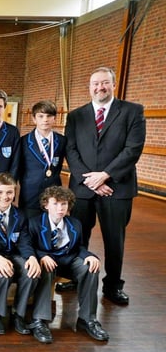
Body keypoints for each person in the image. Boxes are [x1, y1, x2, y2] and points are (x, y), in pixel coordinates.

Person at [64, 66, 146, 305]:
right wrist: (90, 180)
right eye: (95, 84)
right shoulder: (76, 115)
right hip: (83, 188)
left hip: (117, 188)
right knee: (78, 236)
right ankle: (75, 276)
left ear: (113, 84)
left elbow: (133, 149)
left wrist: (106, 175)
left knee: (114, 239)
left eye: (104, 83)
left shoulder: (132, 112)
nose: (100, 87)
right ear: (89, 87)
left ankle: (112, 286)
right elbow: (70, 149)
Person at [28, 186, 109, 341]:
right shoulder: (35, 223)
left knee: (90, 268)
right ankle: (39, 320)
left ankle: (88, 319)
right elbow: (28, 246)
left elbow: (80, 247)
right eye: (55, 204)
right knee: (46, 267)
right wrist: (42, 256)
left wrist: (89, 256)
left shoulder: (75, 224)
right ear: (46, 205)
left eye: (64, 204)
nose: (60, 208)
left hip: (68, 261)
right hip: (48, 262)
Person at [0, 173, 51, 343]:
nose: (5, 197)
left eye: (9, 193)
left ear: (14, 193)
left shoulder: (21, 215)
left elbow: (25, 241)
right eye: (1, 192)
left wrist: (31, 258)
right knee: (4, 272)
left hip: (15, 254)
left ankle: (18, 314)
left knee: (31, 272)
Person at [18, 100, 66, 218]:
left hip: (54, 193)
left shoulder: (62, 140)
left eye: (49, 116)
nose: (45, 119)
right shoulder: (23, 141)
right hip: (30, 194)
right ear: (34, 119)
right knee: (29, 228)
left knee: (51, 228)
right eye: (41, 116)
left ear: (54, 118)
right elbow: (19, 167)